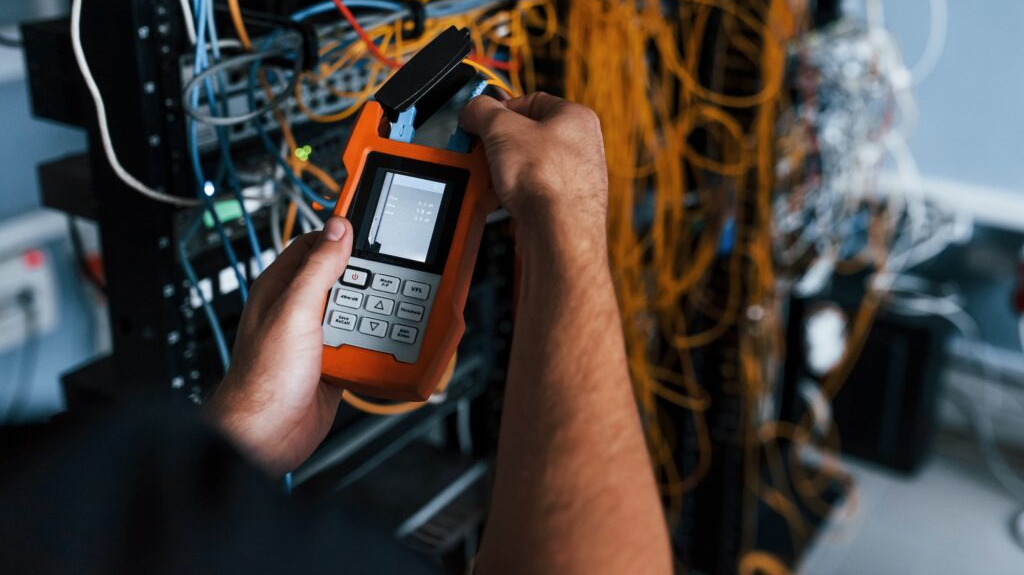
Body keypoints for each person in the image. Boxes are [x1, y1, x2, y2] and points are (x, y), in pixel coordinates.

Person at [0, 93, 672, 574]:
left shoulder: (52, 501)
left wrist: (252, 428)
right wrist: (567, 210)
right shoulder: (61, 491)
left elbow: (146, 528)